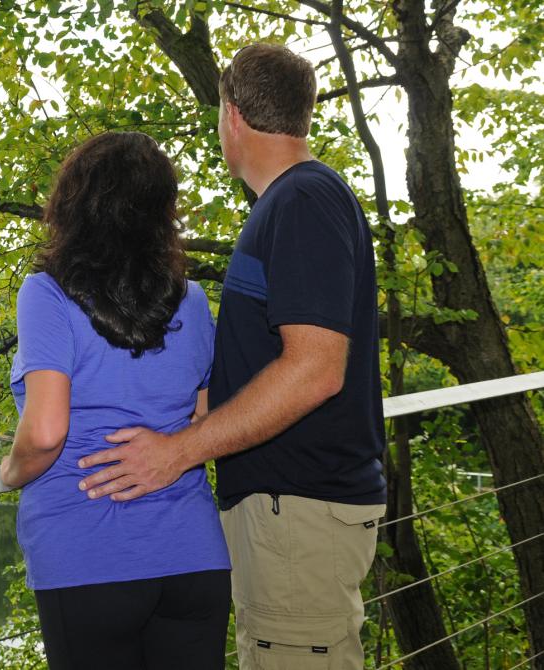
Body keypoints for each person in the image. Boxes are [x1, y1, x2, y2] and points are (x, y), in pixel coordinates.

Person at [77, 44, 388, 670]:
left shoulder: (303, 201)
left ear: (232, 115)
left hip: (298, 514)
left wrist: (178, 453)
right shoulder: (290, 203)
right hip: (287, 517)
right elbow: (274, 360)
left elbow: (315, 369)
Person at [0, 131, 231, 670]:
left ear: (74, 203)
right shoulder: (192, 300)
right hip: (193, 559)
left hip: (87, 557)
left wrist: (11, 472)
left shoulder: (46, 292)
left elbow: (46, 432)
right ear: (161, 213)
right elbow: (207, 419)